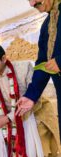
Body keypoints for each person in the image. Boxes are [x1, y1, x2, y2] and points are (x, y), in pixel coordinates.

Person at [17, 0, 61, 144]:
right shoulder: (46, 25)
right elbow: (42, 64)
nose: (38, 9)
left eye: (38, 4)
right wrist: (31, 96)